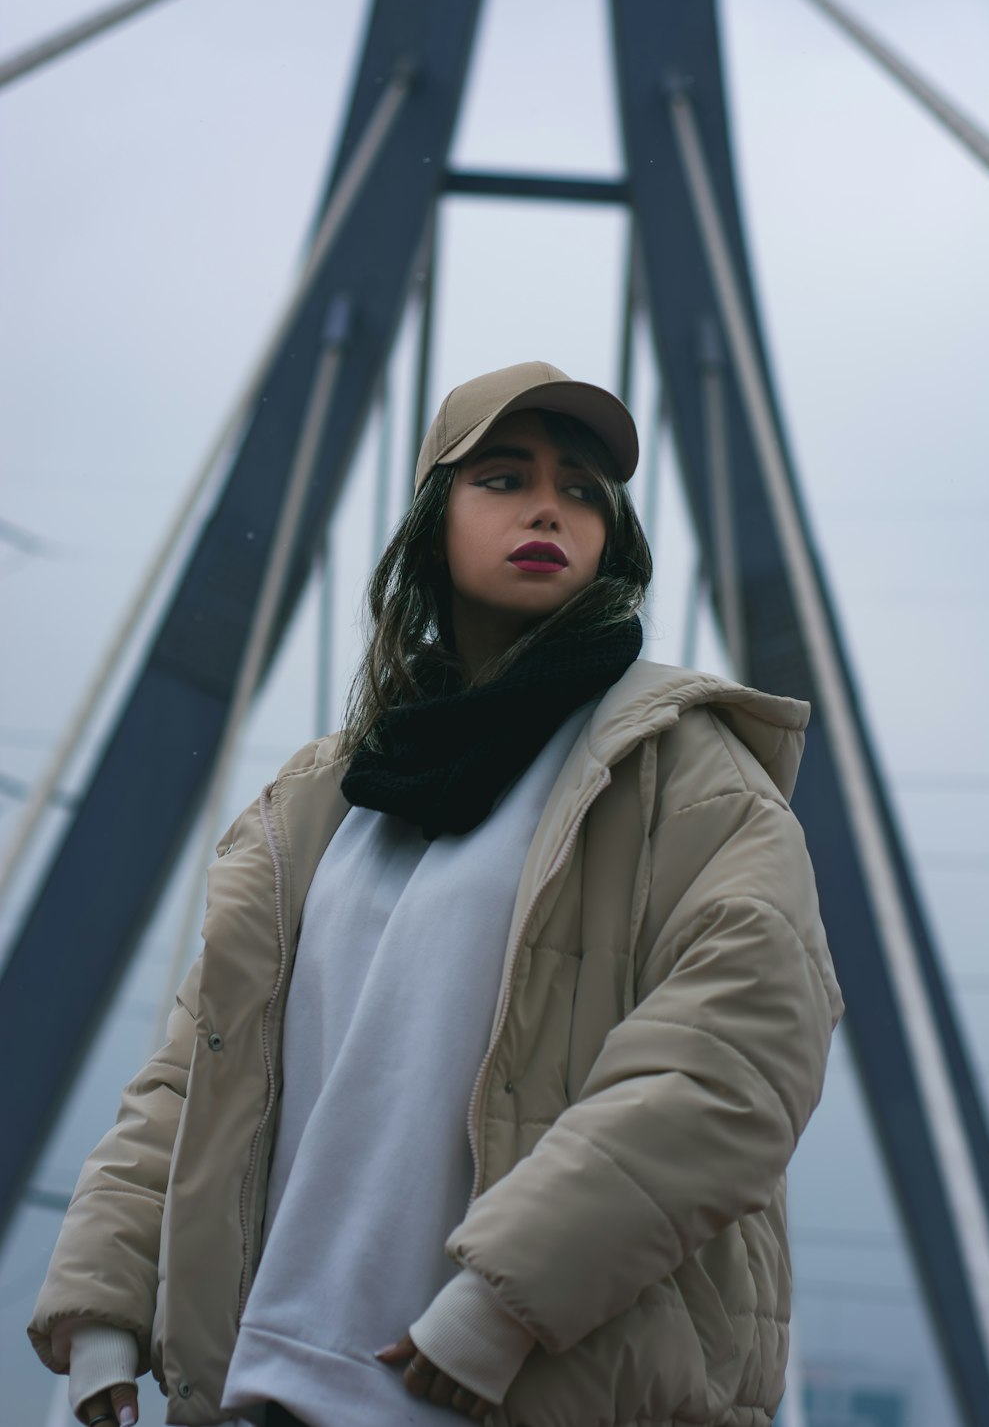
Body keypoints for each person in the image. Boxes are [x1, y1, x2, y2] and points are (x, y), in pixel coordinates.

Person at [28, 360, 844, 1427]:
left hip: (513, 1385)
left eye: (583, 488)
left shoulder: (687, 777)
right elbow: (195, 1073)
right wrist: (103, 1309)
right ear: (430, 524)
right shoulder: (322, 800)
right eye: (501, 477)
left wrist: (505, 1303)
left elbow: (738, 1055)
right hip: (261, 1391)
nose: (548, 505)